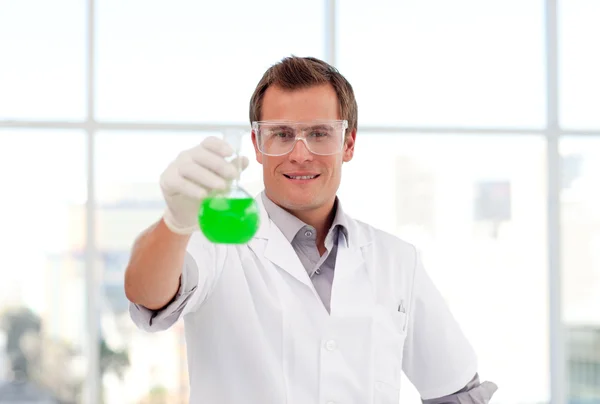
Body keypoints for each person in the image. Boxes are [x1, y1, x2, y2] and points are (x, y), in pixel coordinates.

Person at [125, 56, 498, 403]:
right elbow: (148, 292)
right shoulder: (217, 244)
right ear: (257, 144)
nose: (300, 154)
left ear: (348, 143)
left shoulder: (397, 260)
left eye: (319, 133)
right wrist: (175, 223)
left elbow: (456, 390)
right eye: (282, 134)